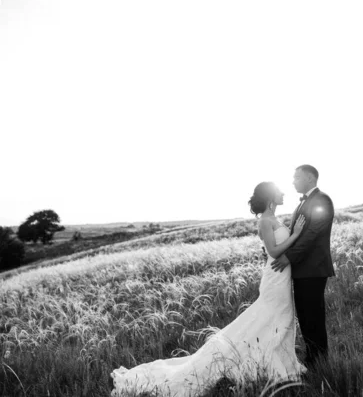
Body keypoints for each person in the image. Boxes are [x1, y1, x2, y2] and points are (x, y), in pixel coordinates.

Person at [111, 182, 307, 396]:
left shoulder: (274, 219)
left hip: (281, 277)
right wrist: (296, 235)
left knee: (280, 318)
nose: (283, 193)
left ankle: (279, 360)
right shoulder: (265, 221)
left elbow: (269, 251)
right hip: (275, 278)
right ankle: (268, 364)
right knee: (270, 318)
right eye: (279, 191)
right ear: (270, 197)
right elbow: (274, 251)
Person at [271, 164, 335, 368]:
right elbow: (297, 235)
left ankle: (319, 361)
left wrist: (288, 257)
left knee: (313, 316)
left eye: (296, 177)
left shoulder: (322, 200)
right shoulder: (303, 203)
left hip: (313, 269)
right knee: (306, 317)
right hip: (302, 270)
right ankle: (312, 358)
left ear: (309, 178)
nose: (293, 181)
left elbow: (312, 234)